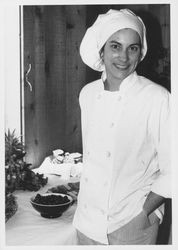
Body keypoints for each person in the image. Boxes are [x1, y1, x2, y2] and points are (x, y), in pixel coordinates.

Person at [72, 8, 171, 245]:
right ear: (102, 50)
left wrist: (144, 213)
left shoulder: (157, 98)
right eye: (115, 46)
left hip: (130, 224)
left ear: (140, 52)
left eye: (132, 48)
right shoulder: (87, 94)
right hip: (86, 222)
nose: (124, 57)